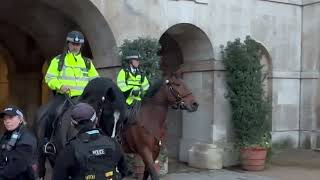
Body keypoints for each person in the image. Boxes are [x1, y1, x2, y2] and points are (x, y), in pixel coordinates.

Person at [44, 30, 99, 145]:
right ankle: (47, 142)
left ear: (81, 46)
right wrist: (60, 85)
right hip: (64, 97)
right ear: (68, 44)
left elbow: (95, 80)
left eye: (77, 45)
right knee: (51, 113)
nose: (75, 47)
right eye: (73, 44)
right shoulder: (58, 60)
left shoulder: (87, 63)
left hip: (84, 99)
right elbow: (49, 78)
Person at [52, 103, 128, 180]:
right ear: (96, 120)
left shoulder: (70, 149)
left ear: (73, 124)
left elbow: (58, 176)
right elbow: (124, 171)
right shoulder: (113, 143)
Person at [0, 106, 37, 180]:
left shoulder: (27, 138)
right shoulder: (6, 135)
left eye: (11, 117)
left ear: (20, 119)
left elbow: (18, 166)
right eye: (5, 118)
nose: (7, 121)